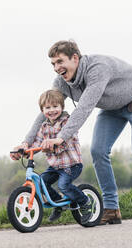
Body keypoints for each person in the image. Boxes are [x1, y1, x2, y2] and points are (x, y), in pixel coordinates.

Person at [10, 40, 132, 225]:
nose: (56, 67)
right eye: (53, 64)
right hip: (112, 107)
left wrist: (60, 137)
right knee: (98, 151)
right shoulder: (61, 82)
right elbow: (45, 113)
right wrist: (26, 142)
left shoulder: (97, 69)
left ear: (75, 58)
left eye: (60, 62)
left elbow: (84, 108)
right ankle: (111, 209)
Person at [11, 89, 93, 222]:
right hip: (55, 165)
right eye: (47, 107)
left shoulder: (67, 122)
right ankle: (58, 203)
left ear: (62, 107)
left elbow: (67, 140)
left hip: (71, 164)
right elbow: (37, 142)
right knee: (42, 182)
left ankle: (85, 202)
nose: (52, 110)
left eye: (55, 106)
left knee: (64, 185)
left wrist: (53, 144)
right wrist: (24, 151)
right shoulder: (43, 126)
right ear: (42, 111)